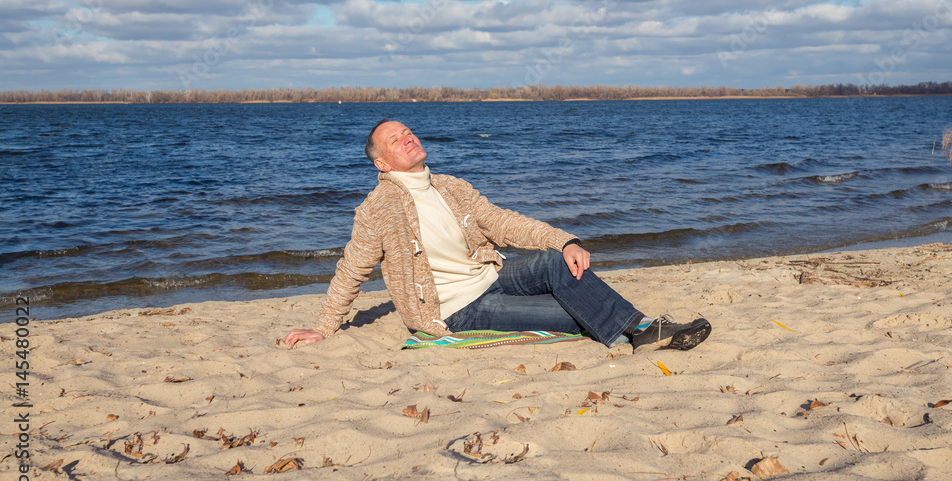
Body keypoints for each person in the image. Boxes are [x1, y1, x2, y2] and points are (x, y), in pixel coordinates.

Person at [284, 119, 711, 352]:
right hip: (459, 309)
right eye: (394, 140)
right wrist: (324, 326)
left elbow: (503, 223)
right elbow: (353, 268)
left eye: (407, 131)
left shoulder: (450, 186)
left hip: (494, 276)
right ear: (382, 164)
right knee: (574, 315)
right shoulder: (378, 209)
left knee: (555, 263)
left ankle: (642, 329)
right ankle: (644, 330)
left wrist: (564, 240)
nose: (407, 138)